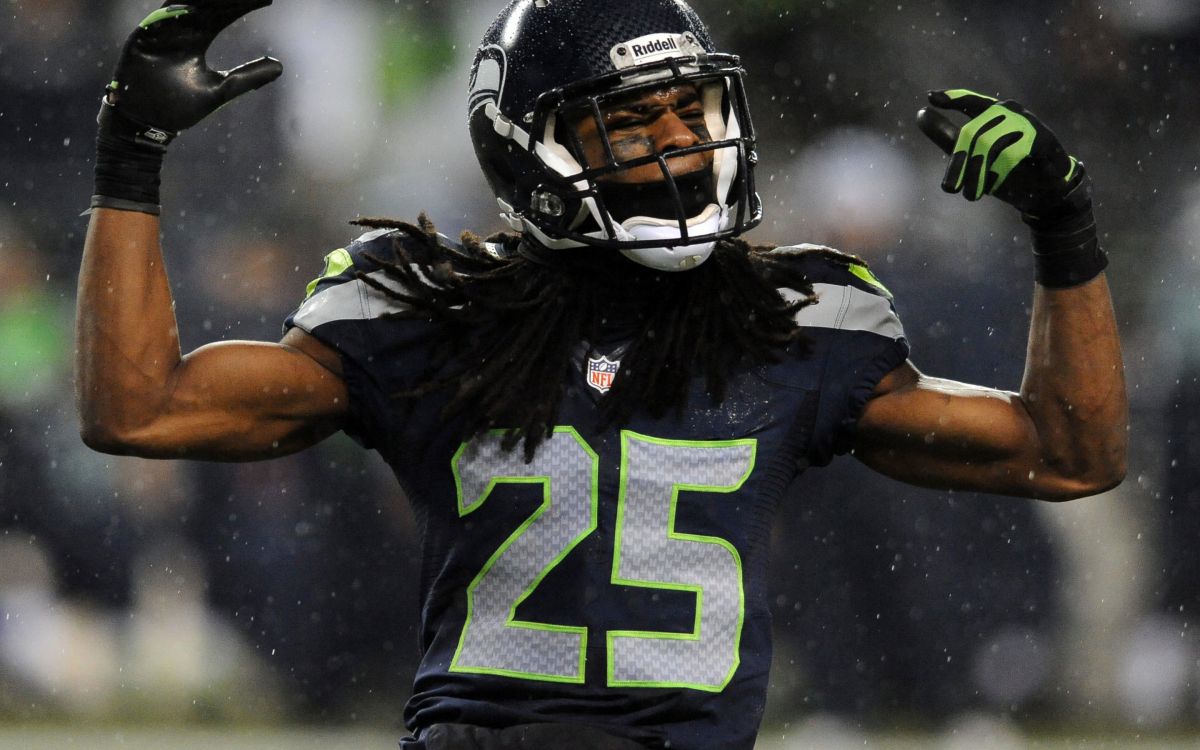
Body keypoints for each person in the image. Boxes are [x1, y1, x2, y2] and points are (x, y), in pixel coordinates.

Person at [75, 1, 1127, 748]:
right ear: (527, 149)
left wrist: (1064, 228)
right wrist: (131, 157)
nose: (683, 146)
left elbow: (1070, 453)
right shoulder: (425, 314)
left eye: (692, 112)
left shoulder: (795, 322)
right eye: (634, 121)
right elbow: (140, 408)